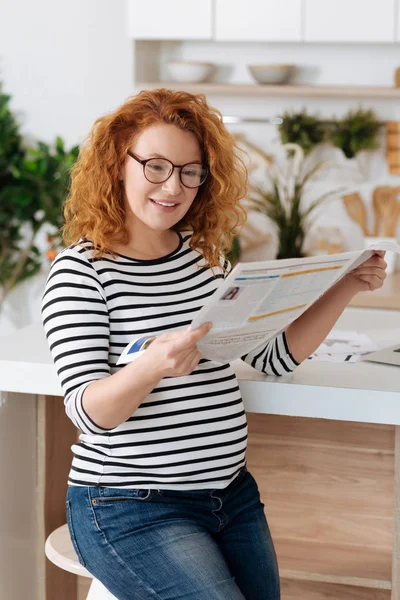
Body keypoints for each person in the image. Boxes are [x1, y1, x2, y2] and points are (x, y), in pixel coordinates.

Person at [41, 88, 387, 600]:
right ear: (118, 165)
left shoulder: (201, 260)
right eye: (155, 166)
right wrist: (151, 366)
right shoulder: (81, 272)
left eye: (189, 171)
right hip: (127, 506)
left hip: (232, 498)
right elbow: (91, 413)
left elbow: (273, 357)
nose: (173, 186)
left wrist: (345, 286)